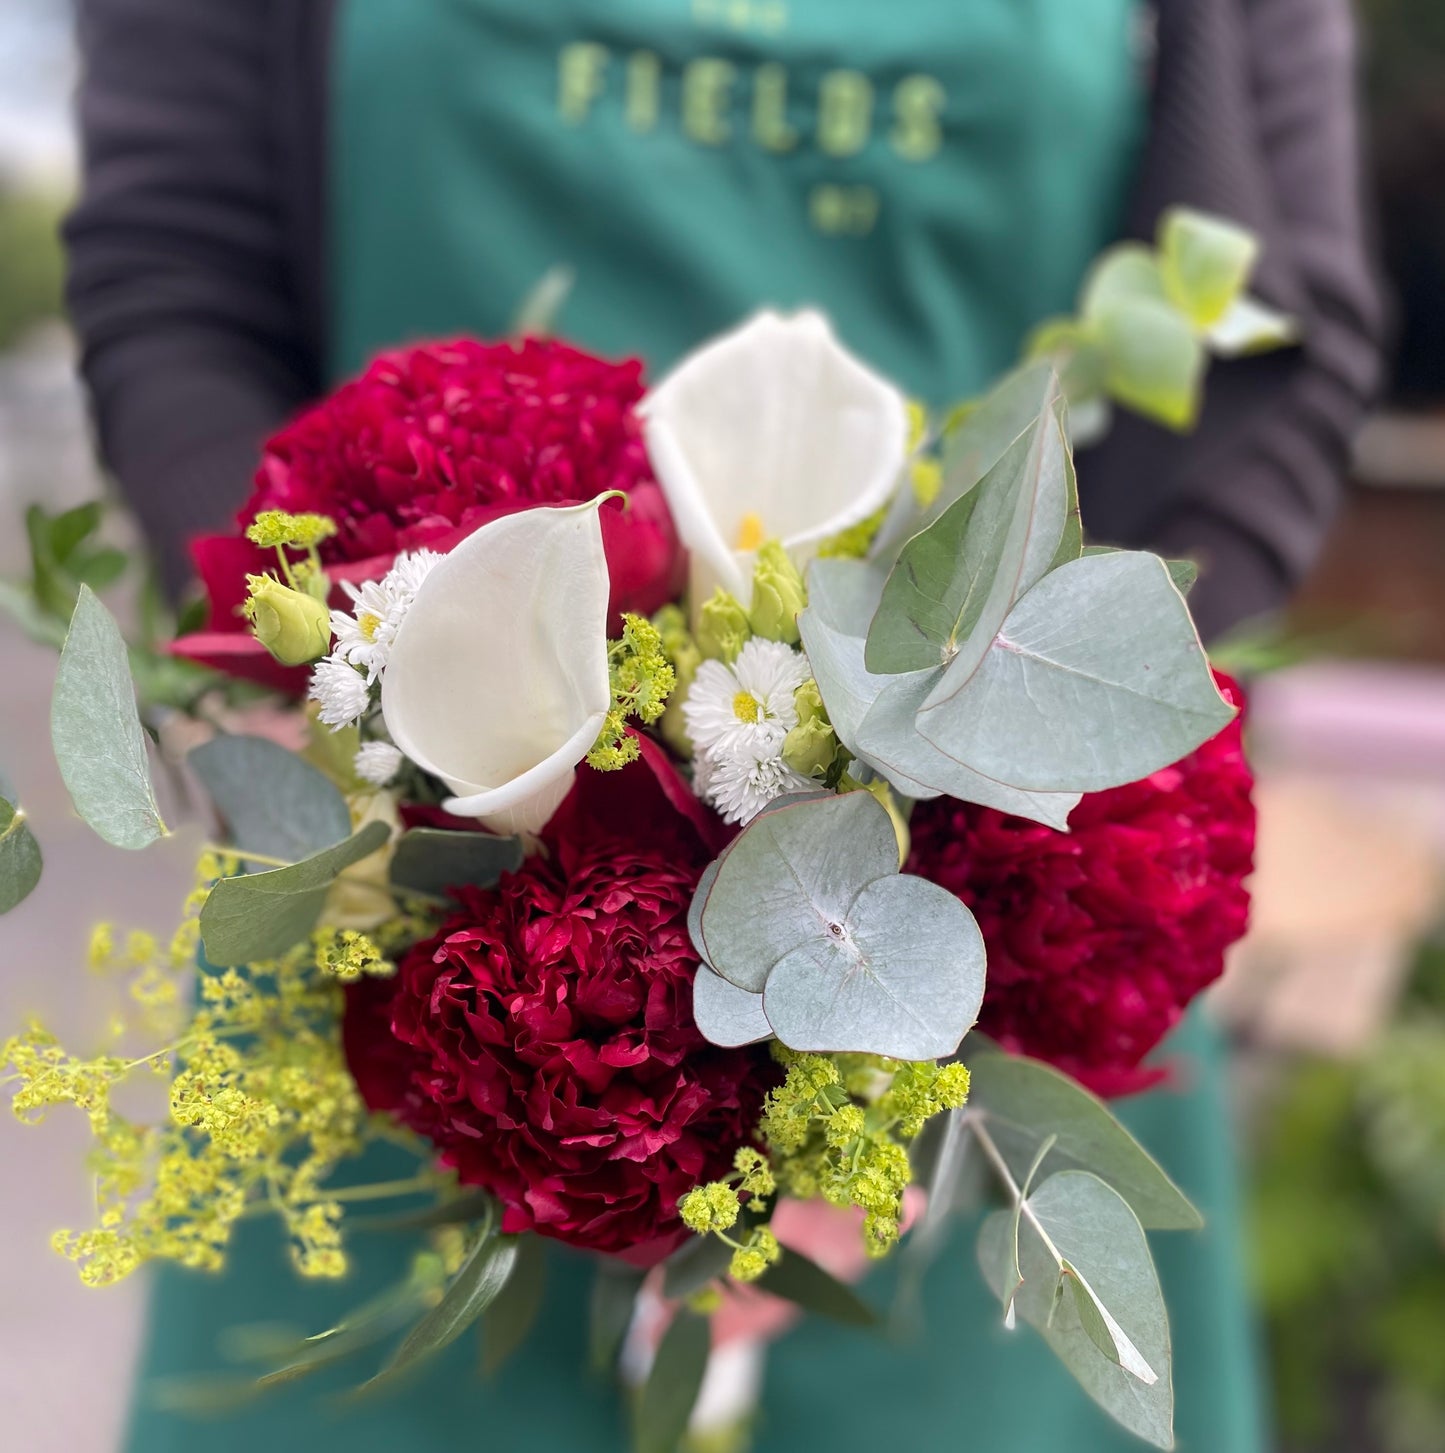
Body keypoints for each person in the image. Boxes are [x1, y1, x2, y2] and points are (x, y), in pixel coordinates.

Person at [63, 1, 1383, 1450]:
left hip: (976, 995)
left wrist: (918, 950)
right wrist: (396, 733)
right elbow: (179, 277)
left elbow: (1269, 342)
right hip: (408, 946)